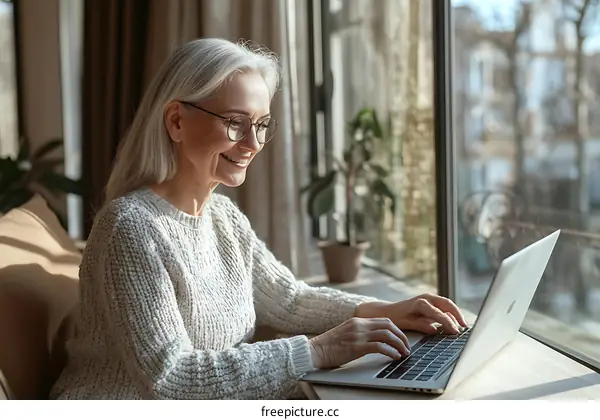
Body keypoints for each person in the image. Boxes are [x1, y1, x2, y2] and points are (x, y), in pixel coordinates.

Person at [49, 37, 467, 400]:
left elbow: (289, 300)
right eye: (235, 123)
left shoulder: (223, 217)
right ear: (177, 120)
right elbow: (171, 378)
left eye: (262, 125)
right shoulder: (130, 228)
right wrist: (317, 350)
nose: (252, 144)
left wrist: (384, 310)